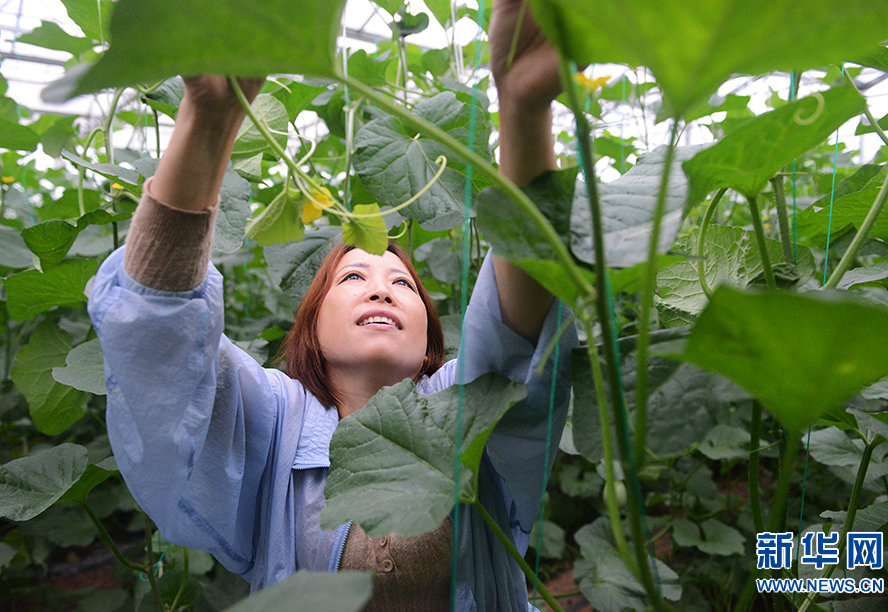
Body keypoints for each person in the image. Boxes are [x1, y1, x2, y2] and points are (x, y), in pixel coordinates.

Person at [88, 1, 577, 610]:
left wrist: (525, 109)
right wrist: (210, 119)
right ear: (310, 330)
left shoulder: (465, 406)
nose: (381, 288)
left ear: (431, 340)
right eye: (352, 276)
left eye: (402, 284)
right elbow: (157, 342)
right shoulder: (273, 419)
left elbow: (518, 330)